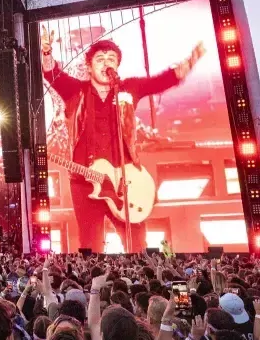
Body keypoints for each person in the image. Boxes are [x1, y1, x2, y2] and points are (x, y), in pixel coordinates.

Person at [42, 31, 205, 253]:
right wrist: (46, 51)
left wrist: (186, 66)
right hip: (85, 180)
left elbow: (158, 82)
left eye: (111, 59)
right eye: (99, 59)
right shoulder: (76, 91)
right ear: (89, 67)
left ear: (117, 65)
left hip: (125, 180)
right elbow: (53, 74)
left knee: (137, 245)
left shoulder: (129, 88)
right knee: (90, 246)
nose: (106, 63)